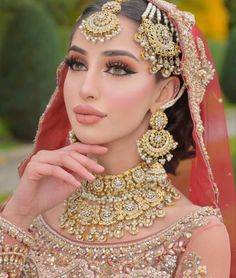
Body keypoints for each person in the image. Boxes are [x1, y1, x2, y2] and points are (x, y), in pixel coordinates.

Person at [0, 0, 235, 276]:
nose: (86, 88)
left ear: (164, 93)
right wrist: (17, 216)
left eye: (118, 68)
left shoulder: (196, 236)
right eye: (77, 64)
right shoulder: (29, 212)